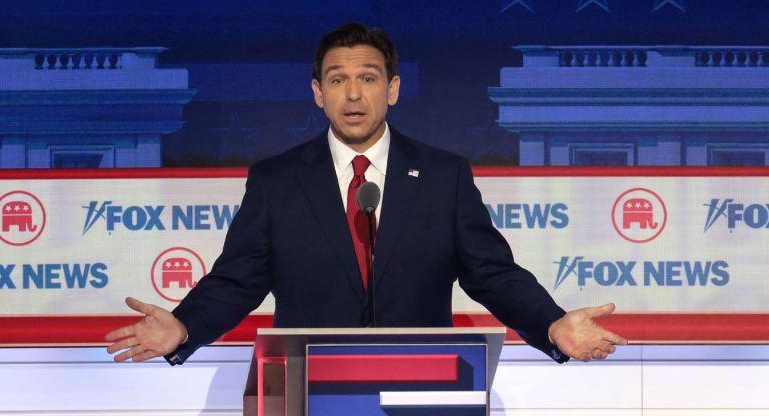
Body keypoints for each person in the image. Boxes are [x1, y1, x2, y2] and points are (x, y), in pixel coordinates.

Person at [106, 22, 626, 365]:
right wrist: (185, 328)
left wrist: (552, 324)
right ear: (317, 93)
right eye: (337, 80)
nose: (353, 94)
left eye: (368, 78)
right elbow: (237, 281)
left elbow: (492, 273)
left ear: (392, 89)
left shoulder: (443, 176)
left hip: (421, 386)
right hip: (309, 387)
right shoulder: (277, 180)